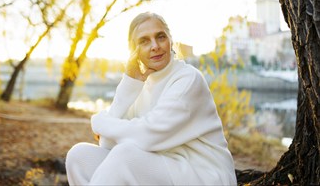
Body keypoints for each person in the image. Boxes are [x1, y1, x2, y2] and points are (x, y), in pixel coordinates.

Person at [65, 12, 237, 185]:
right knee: (79, 156)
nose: (155, 46)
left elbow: (147, 136)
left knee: (125, 156)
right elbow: (107, 143)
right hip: (164, 166)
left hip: (204, 174)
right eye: (144, 41)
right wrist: (129, 84)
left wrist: (99, 122)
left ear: (170, 40)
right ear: (133, 50)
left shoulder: (187, 79)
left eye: (160, 37)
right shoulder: (140, 85)